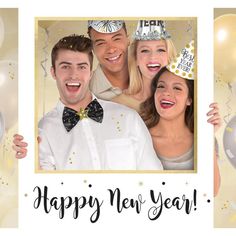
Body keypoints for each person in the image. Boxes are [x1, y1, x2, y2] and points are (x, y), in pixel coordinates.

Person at [26, 34, 163, 171]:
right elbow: (45, 186)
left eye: (82, 67)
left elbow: (154, 177)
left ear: (90, 74)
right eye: (65, 67)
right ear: (53, 73)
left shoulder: (128, 118)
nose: (74, 75)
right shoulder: (44, 129)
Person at [112, 20, 177, 112]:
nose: (153, 57)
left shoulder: (184, 102)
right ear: (135, 59)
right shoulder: (119, 105)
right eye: (145, 50)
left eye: (160, 50)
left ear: (169, 57)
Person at [88, 20, 130, 100]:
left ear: (128, 39)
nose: (111, 50)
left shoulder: (151, 78)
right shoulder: (84, 92)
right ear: (93, 49)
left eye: (116, 39)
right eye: (101, 43)